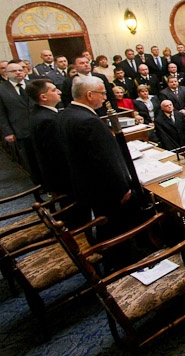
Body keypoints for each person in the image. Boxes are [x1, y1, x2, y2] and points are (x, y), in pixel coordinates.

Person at [58, 76, 137, 244]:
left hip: (88, 185)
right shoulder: (89, 121)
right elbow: (104, 160)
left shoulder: (68, 114)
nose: (105, 97)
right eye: (102, 93)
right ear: (89, 95)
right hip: (106, 189)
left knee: (106, 224)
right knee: (116, 228)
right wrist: (122, 188)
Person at [0, 61, 36, 176]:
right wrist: (8, 132)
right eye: (13, 71)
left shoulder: (33, 84)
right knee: (30, 159)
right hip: (20, 129)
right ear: (6, 74)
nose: (18, 72)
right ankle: (37, 182)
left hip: (38, 126)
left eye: (20, 70)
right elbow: (0, 113)